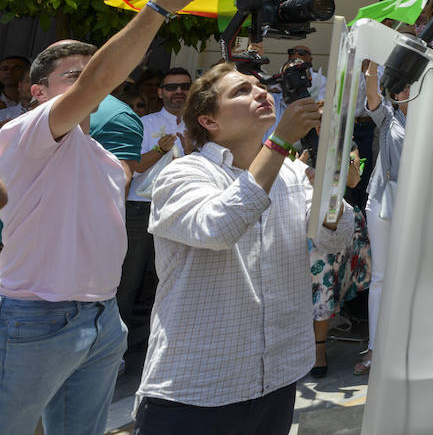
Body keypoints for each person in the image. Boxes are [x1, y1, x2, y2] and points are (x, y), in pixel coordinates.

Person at [0, 0, 203, 435]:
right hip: (36, 319)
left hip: (103, 318)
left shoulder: (109, 160)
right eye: (75, 76)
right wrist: (157, 10)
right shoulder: (26, 132)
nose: (92, 82)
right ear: (39, 93)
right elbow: (98, 82)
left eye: (92, 74)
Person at [136, 61, 351, 434]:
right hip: (197, 389)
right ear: (208, 121)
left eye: (259, 86)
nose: (260, 92)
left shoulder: (293, 173)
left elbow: (333, 240)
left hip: (277, 378)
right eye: (241, 91)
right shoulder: (183, 173)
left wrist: (331, 189)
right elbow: (219, 228)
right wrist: (280, 142)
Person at [117, 67, 191, 358]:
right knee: (129, 282)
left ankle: (154, 350)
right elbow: (132, 167)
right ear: (160, 92)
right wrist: (161, 150)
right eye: (171, 87)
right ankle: (118, 352)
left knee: (167, 282)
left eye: (184, 86)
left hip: (181, 210)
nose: (178, 92)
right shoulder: (143, 123)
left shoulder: (202, 126)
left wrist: (195, 150)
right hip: (141, 208)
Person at [354, 59, 408, 377]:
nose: (406, 89)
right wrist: (373, 64)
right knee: (382, 277)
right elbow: (373, 94)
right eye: (401, 86)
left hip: (415, 203)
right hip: (382, 201)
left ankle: (403, 347)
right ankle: (375, 347)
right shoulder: (388, 117)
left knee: (409, 277)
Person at [307, 146, 370, 378]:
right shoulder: (301, 140)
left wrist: (341, 152)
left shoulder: (348, 144)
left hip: (337, 221)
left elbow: (353, 181)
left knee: (323, 280)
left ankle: (319, 349)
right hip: (301, 216)